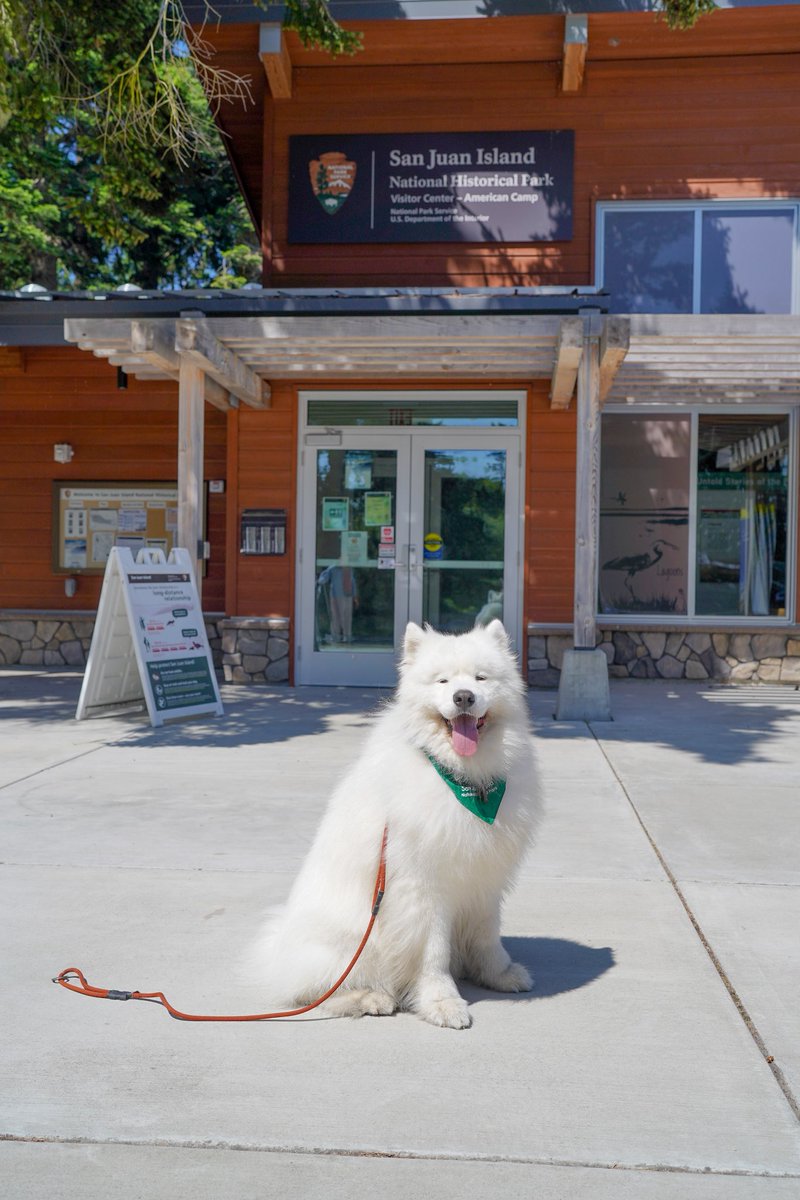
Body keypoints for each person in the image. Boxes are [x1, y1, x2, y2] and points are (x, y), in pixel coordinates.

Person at [318, 562, 358, 642]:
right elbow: (324, 578)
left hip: (347, 595)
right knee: (336, 616)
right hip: (336, 596)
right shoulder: (333, 568)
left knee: (346, 616)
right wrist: (319, 581)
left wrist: (355, 596)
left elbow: (352, 581)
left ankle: (346, 637)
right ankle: (336, 637)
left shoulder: (349, 567)